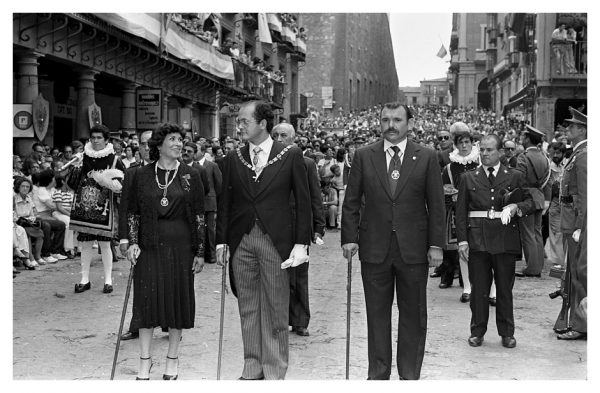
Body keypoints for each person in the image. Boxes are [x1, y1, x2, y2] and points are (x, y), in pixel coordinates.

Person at [341, 102, 445, 380]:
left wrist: (436, 245)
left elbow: (436, 205)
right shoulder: (364, 155)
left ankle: (409, 376)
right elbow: (351, 201)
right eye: (385, 119)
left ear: (409, 123)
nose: (391, 125)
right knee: (376, 315)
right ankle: (378, 375)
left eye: (397, 120)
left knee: (413, 315)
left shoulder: (426, 156)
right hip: (375, 249)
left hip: (413, 250)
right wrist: (349, 238)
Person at [216, 100, 311, 380]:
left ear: (262, 123)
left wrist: (300, 243)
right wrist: (222, 241)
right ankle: (252, 366)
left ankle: (274, 370)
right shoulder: (234, 158)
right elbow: (226, 202)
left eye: (244, 121)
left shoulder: (289, 155)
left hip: (275, 241)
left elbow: (303, 203)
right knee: (247, 305)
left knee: (275, 308)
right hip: (242, 240)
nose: (239, 126)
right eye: (239, 121)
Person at [123, 123, 205, 380]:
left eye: (181, 140)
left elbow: (200, 216)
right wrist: (132, 241)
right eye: (173, 139)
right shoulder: (139, 174)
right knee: (146, 302)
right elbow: (132, 211)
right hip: (148, 245)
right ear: (159, 145)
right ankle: (145, 361)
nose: (179, 144)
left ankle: (172, 359)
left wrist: (200, 251)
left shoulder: (192, 174)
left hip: (181, 246)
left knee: (177, 301)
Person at [456, 134, 534, 349]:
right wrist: (462, 241)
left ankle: (507, 333)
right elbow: (461, 212)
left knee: (504, 289)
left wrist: (516, 207)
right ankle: (477, 331)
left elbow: (530, 201)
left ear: (500, 152)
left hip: (504, 239)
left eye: (490, 150)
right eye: (482, 150)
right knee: (479, 290)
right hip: (478, 240)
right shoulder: (468, 178)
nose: (485, 154)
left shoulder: (515, 176)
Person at [272, 122, 325, 337]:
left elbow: (315, 196)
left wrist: (318, 227)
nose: (278, 138)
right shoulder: (267, 163)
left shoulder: (307, 163)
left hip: (298, 226)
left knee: (299, 274)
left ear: (293, 138)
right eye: (275, 135)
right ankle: (279, 319)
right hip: (274, 226)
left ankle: (300, 320)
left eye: (283, 135)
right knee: (276, 274)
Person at [67, 125, 125, 294]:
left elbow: (122, 185)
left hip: (104, 207)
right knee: (85, 244)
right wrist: (76, 167)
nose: (96, 141)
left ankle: (108, 280)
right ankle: (84, 279)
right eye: (93, 138)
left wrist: (107, 182)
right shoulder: (82, 157)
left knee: (105, 244)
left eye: (99, 138)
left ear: (106, 140)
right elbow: (71, 184)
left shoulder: (115, 160)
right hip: (84, 206)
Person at [437, 123, 481, 303]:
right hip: (458, 212)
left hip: (480, 211)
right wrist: (452, 195)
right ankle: (467, 287)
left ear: (472, 143)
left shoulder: (480, 162)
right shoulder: (450, 167)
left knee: (481, 250)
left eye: (467, 142)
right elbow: (444, 188)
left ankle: (483, 285)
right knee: (462, 247)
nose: (464, 146)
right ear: (456, 145)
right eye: (461, 143)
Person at [555, 107, 587, 340]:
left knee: (579, 273)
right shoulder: (578, 154)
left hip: (577, 223)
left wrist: (579, 226)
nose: (567, 130)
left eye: (572, 126)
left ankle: (581, 324)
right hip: (571, 221)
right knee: (572, 272)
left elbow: (585, 196)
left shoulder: (584, 156)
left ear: (582, 130)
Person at [119, 130, 153, 341]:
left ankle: (168, 322)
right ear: (138, 147)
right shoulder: (132, 173)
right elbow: (126, 208)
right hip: (138, 237)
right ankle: (137, 325)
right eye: (143, 144)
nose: (147, 148)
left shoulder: (173, 170)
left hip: (165, 236)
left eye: (151, 143)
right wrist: (125, 238)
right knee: (141, 282)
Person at [515, 125, 550, 277]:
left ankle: (532, 268)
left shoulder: (523, 157)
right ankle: (538, 266)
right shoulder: (544, 157)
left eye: (523, 136)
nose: (522, 139)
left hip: (527, 197)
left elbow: (519, 180)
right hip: (539, 196)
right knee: (537, 233)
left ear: (528, 139)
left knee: (527, 233)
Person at [31, 169, 68, 262]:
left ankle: (56, 251)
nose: (56, 180)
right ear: (50, 179)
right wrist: (61, 205)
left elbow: (57, 204)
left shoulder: (52, 189)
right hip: (40, 215)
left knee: (61, 224)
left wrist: (60, 205)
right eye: (54, 178)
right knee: (56, 225)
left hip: (49, 214)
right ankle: (46, 254)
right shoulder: (41, 190)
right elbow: (52, 206)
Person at [197, 143, 222, 264]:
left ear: (202, 152)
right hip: (196, 203)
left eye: (195, 150)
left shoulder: (212, 166)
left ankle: (211, 255)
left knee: (210, 230)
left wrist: (216, 201)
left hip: (209, 202)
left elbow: (219, 184)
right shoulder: (187, 166)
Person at [13, 177, 45, 268]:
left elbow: (32, 213)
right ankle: (30, 258)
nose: (25, 188)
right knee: (26, 233)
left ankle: (37, 256)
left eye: (27, 187)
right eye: (23, 186)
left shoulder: (29, 198)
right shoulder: (14, 198)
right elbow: (14, 215)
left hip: (28, 221)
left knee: (40, 233)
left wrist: (31, 218)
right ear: (18, 187)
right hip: (18, 222)